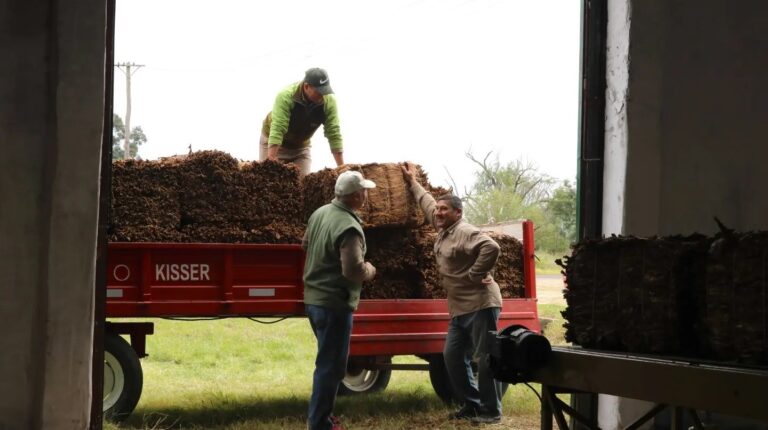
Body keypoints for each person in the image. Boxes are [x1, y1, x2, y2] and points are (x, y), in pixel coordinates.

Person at [401, 162, 504, 425]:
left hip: (481, 305)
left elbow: (491, 247)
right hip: (459, 309)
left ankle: (491, 411)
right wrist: (413, 182)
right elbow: (427, 203)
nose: (438, 212)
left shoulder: (464, 232)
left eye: (444, 209)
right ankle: (472, 404)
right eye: (438, 209)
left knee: (485, 358)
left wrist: (475, 274)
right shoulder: (444, 229)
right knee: (453, 356)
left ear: (458, 213)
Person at [302, 170, 377, 430]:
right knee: (331, 367)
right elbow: (353, 270)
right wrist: (371, 270)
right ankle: (320, 423)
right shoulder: (349, 227)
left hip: (313, 300)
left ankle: (321, 417)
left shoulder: (319, 214)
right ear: (355, 196)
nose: (366, 195)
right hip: (334, 303)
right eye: (364, 191)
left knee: (327, 362)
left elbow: (305, 245)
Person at [260, 67, 345, 175]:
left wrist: (342, 168)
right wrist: (271, 160)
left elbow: (334, 133)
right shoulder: (286, 96)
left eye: (325, 91)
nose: (323, 96)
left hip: (300, 147)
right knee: (269, 178)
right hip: (274, 143)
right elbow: (278, 128)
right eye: (319, 92)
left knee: (303, 182)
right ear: (306, 86)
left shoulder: (329, 102)